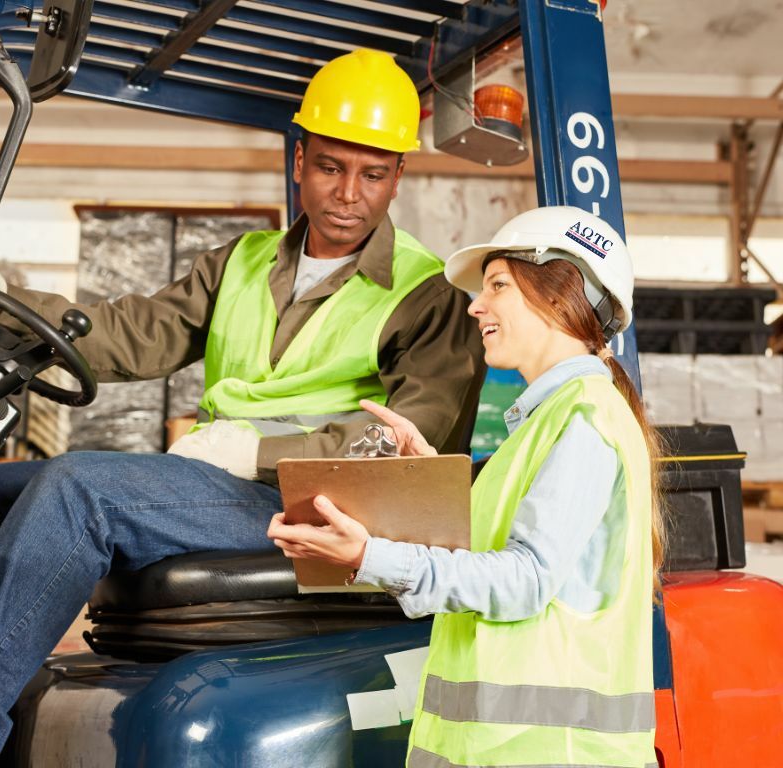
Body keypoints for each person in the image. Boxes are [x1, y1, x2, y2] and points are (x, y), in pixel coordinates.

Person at [0, 49, 485, 768]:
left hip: (313, 509)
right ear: (301, 160)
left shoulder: (428, 295)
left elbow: (413, 445)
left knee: (81, 490)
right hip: (218, 487)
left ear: (398, 177)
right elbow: (130, 333)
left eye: (373, 175)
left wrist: (256, 451)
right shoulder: (240, 262)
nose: (349, 194)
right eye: (332, 168)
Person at [269, 206, 664, 768]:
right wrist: (427, 477)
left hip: (549, 753)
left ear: (561, 293)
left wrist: (369, 556)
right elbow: (493, 558)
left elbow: (525, 579)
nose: (475, 305)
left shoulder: (584, 417)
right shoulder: (547, 425)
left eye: (497, 285)